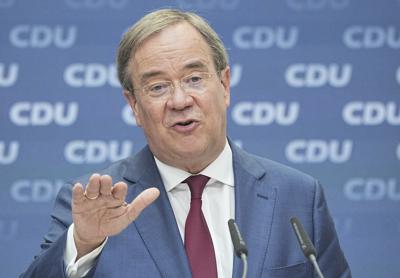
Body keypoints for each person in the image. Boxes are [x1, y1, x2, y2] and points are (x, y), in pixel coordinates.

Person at [22, 8, 351, 278]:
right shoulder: (93, 203)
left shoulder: (298, 196)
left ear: (224, 85)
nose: (180, 100)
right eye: (157, 87)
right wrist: (83, 244)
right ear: (134, 106)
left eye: (194, 79)